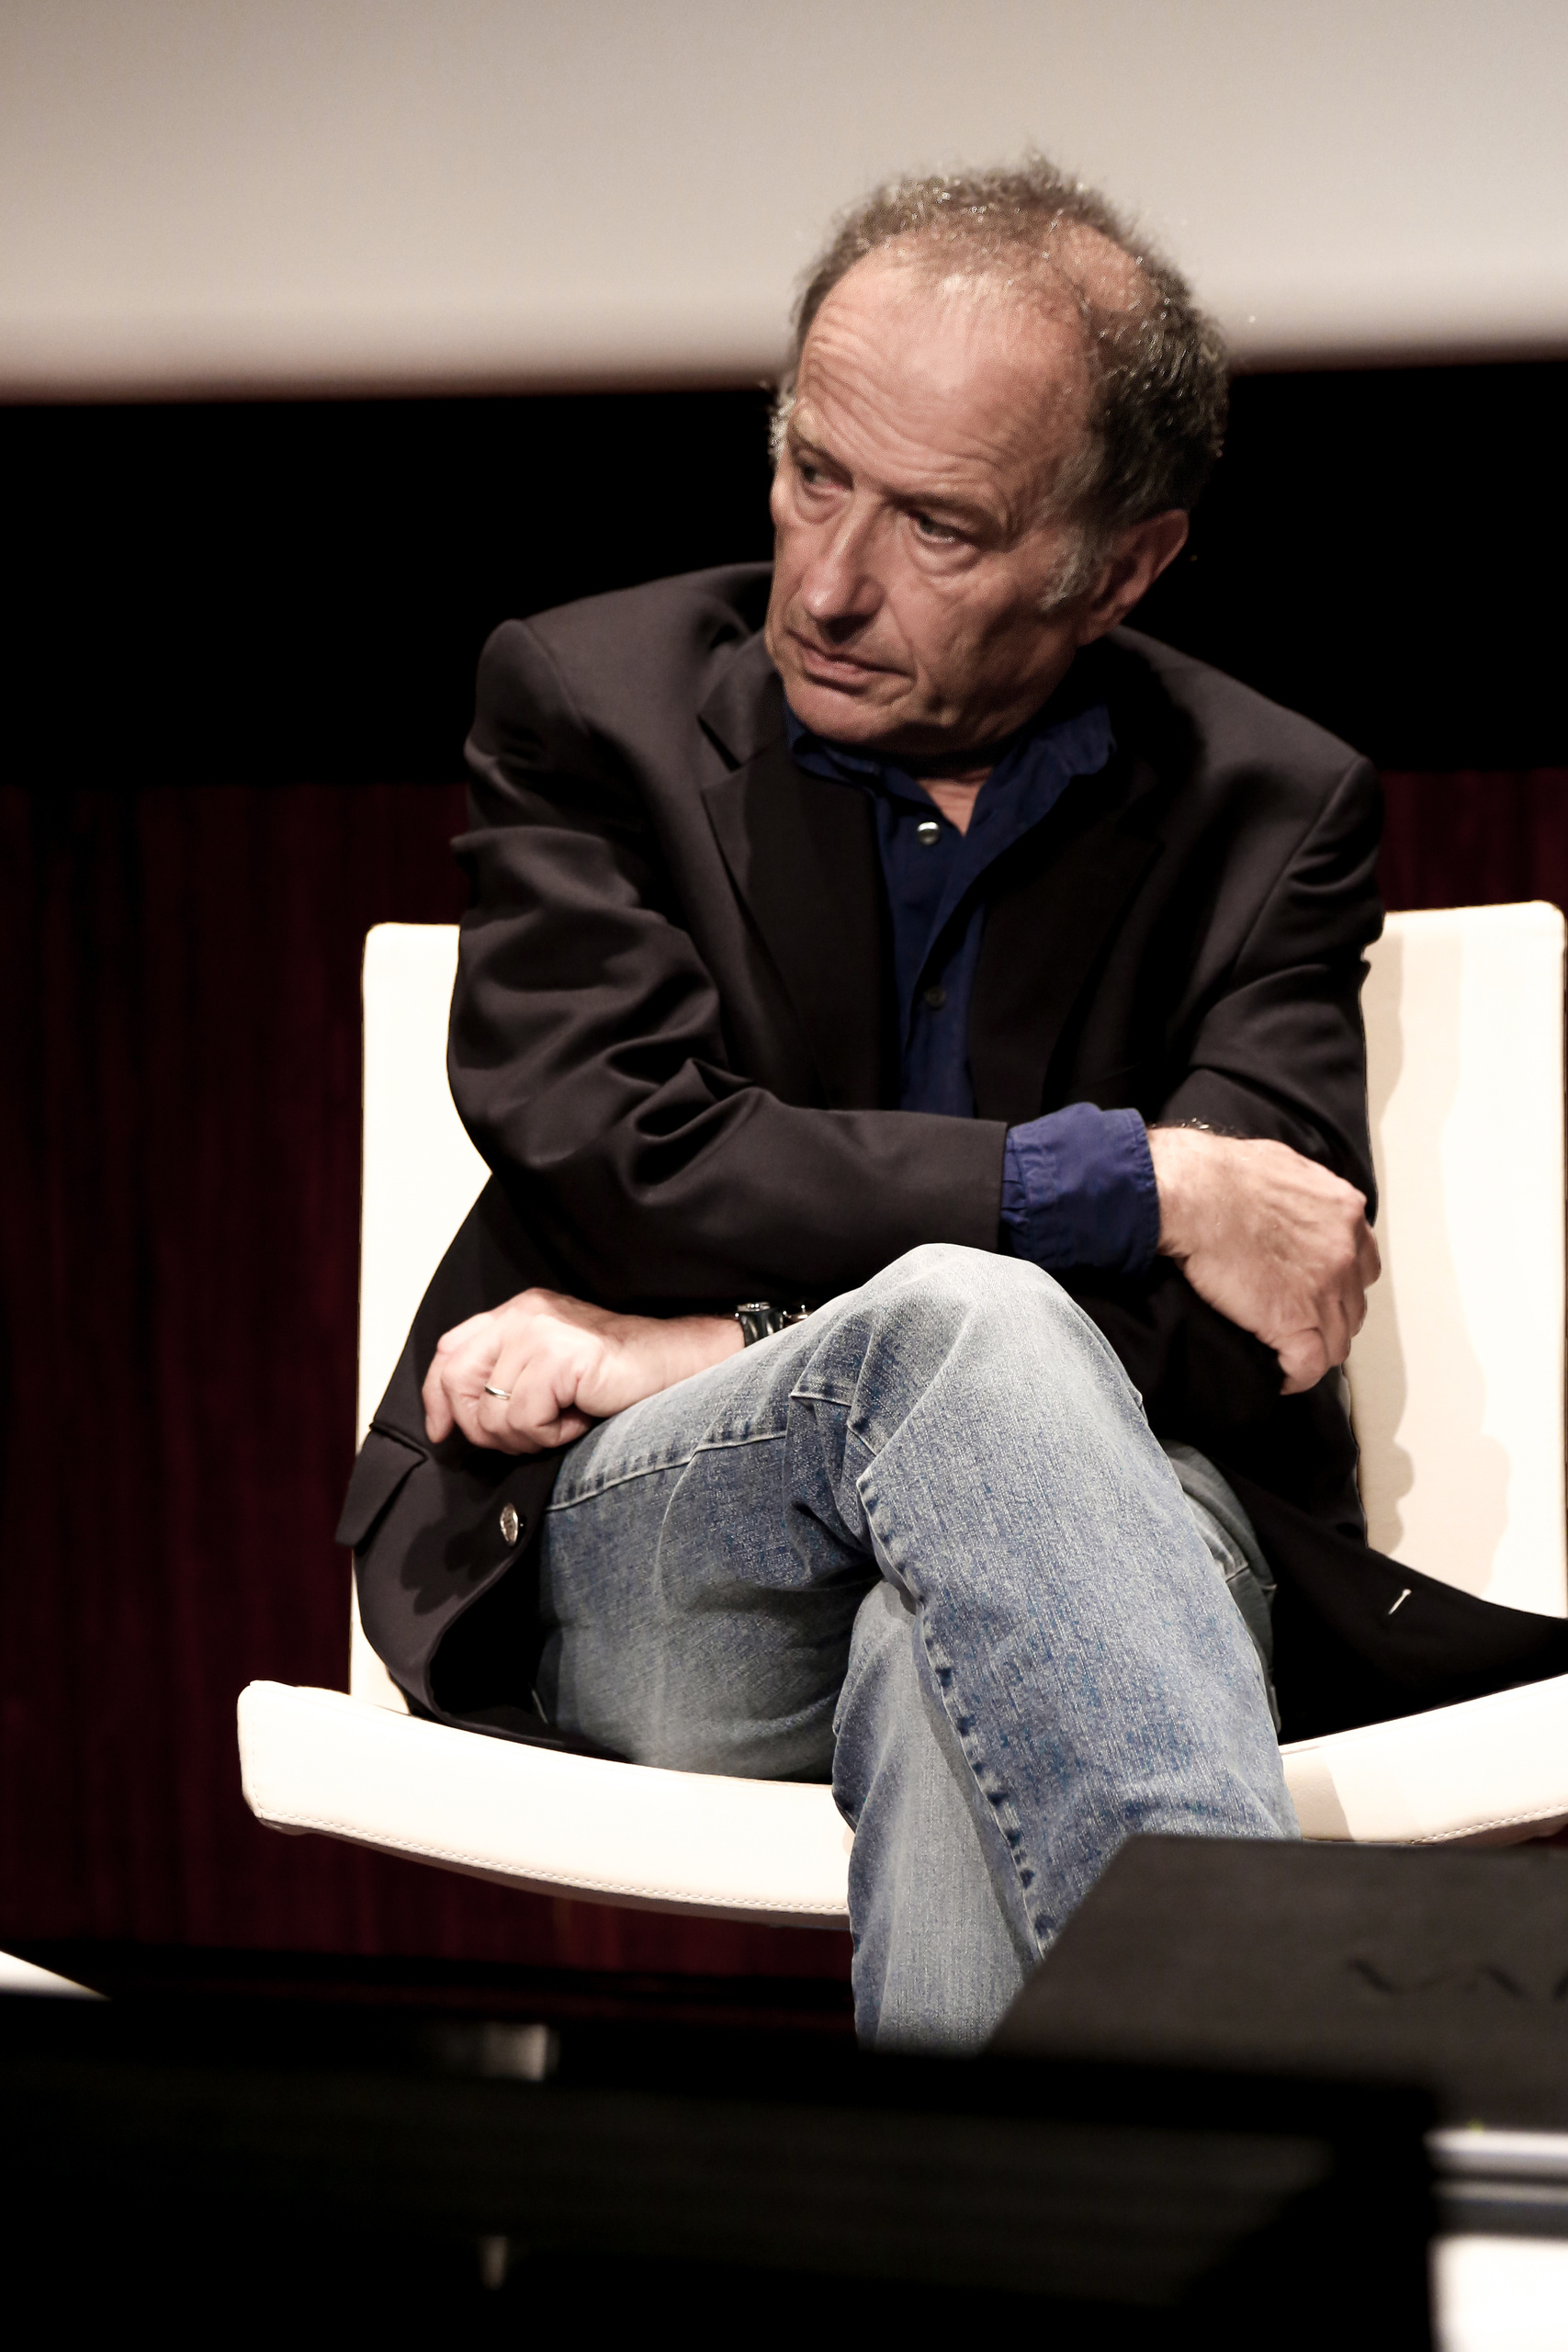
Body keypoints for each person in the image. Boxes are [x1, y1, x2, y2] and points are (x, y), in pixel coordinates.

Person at [339, 161, 1568, 2048]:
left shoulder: (1267, 806)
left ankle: (1075, 2199)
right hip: (679, 1553)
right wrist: (1128, 1182)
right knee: (969, 1329)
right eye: (811, 472)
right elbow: (624, 1154)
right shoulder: (589, 705)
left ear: (1122, 565)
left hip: (1119, 1521)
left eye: (936, 527)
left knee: (951, 1633)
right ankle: (1277, 2116)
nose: (829, 583)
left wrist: (714, 1335)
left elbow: (1249, 1333)